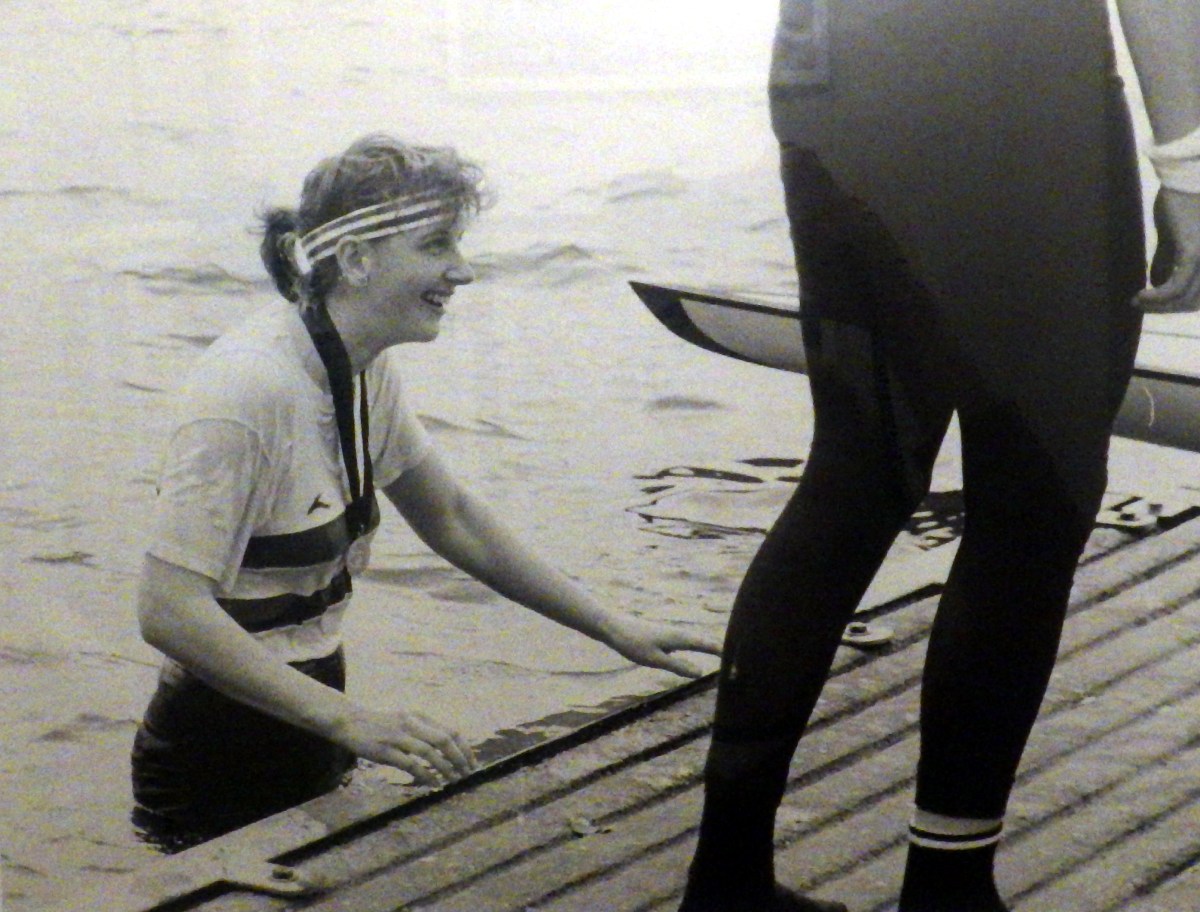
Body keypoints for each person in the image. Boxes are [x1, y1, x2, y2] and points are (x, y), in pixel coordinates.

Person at [677, 2, 1200, 911]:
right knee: (1034, 500)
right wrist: (1191, 163)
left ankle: (727, 882)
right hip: (1011, 91)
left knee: (857, 475)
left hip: (830, 77)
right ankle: (947, 890)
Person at [130, 133, 722, 850]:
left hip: (313, 712)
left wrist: (612, 626)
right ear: (356, 259)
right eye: (437, 245)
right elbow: (168, 609)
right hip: (214, 748)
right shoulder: (247, 389)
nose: (462, 272)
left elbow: (453, 517)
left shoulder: (360, 366)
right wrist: (354, 723)